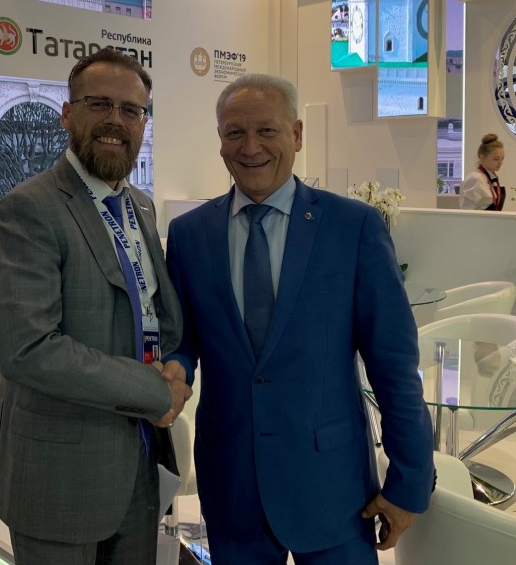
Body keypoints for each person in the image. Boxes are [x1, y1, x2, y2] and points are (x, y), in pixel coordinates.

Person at [164, 74, 435, 564]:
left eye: (267, 131)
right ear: (220, 139)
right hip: (232, 482)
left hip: (333, 487)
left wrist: (409, 481)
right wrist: (177, 367)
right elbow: (183, 340)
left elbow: (393, 363)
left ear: (297, 134)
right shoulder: (189, 235)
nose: (251, 148)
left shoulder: (353, 227)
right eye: (234, 133)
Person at [0, 49, 190, 565]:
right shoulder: (30, 208)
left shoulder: (139, 206)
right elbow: (29, 350)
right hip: (60, 473)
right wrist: (154, 390)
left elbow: (154, 315)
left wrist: (175, 366)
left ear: (143, 121)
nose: (115, 120)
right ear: (68, 113)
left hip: (140, 460)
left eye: (131, 109)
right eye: (99, 104)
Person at [459, 133, 506, 210]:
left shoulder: (491, 178)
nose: (500, 163)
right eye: (496, 159)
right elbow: (466, 210)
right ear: (482, 157)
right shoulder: (475, 179)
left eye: (502, 158)